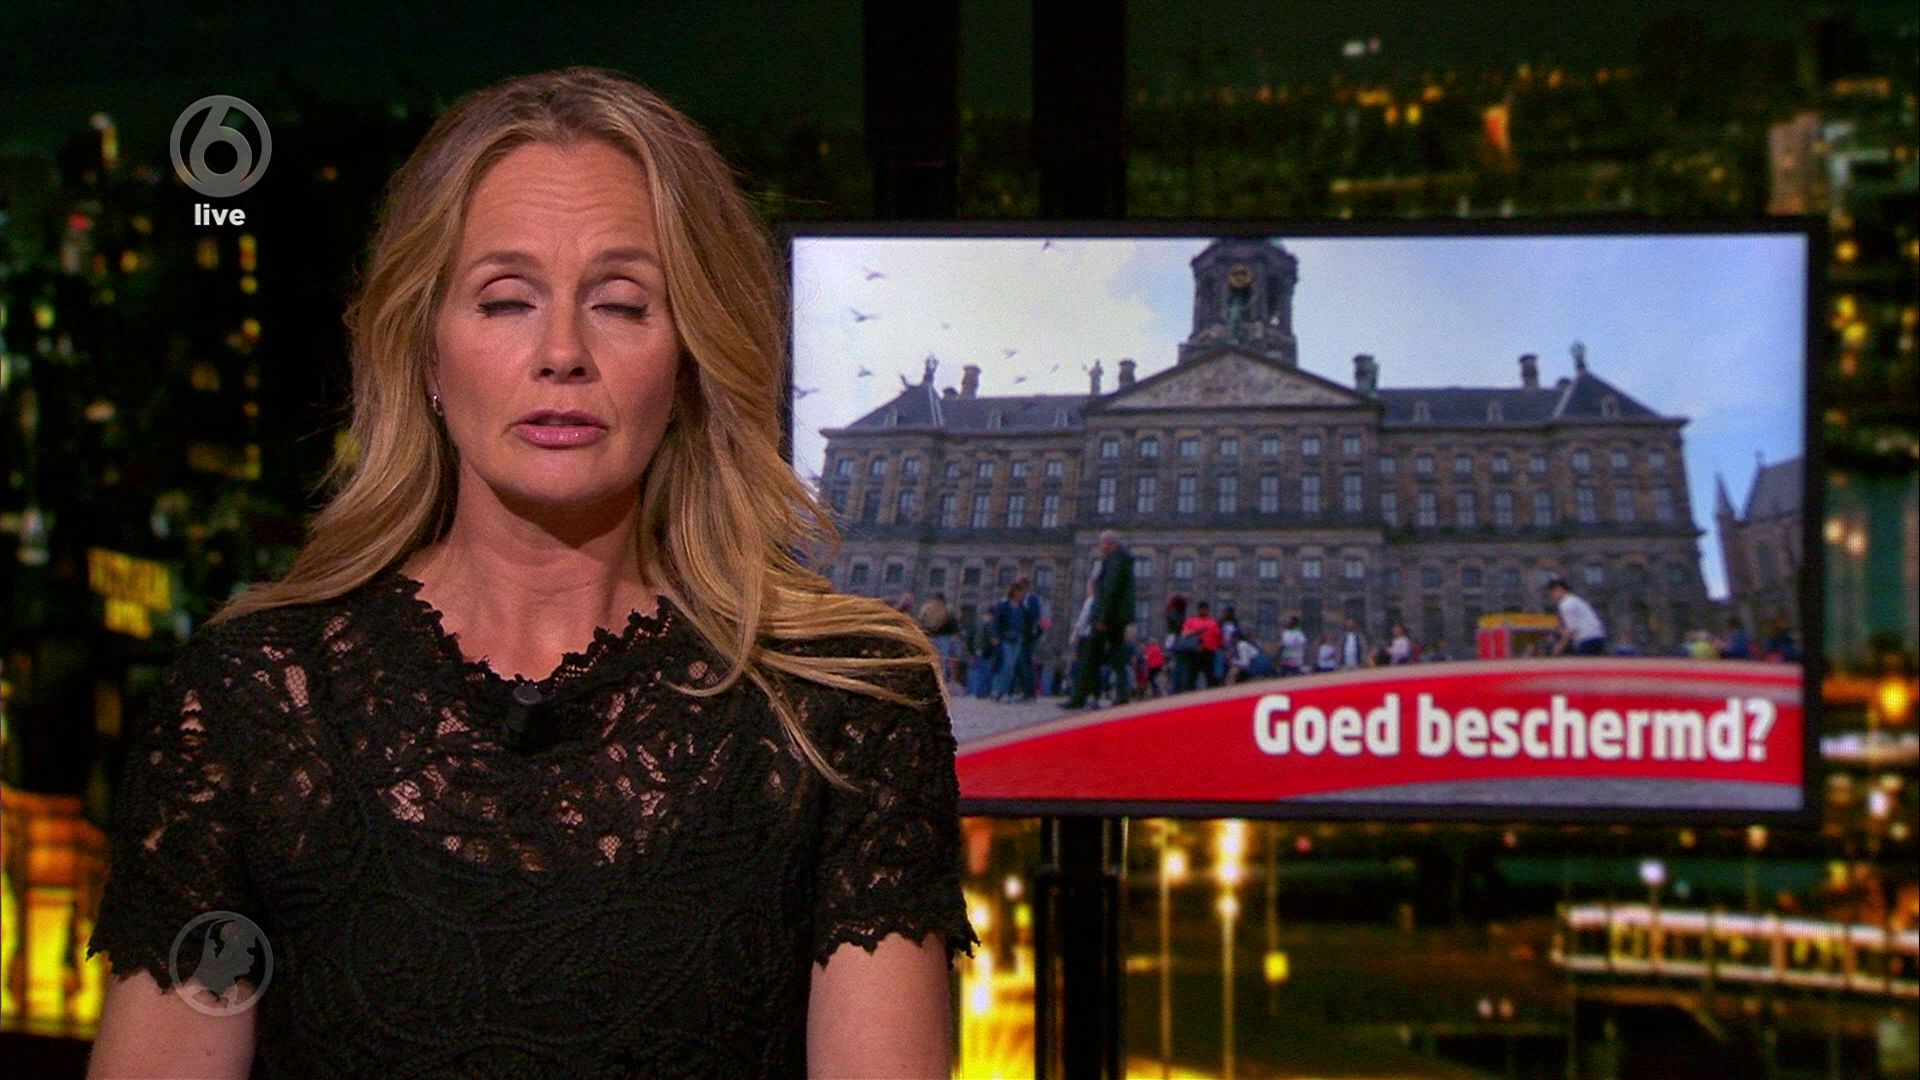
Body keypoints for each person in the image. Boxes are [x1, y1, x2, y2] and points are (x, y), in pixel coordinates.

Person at [83, 68, 976, 1079]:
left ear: (691, 360)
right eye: (506, 301)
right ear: (425, 352)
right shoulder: (255, 702)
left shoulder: (845, 710)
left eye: (622, 304)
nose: (561, 353)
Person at [1062, 530, 1136, 709]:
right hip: (1116, 618)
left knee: (1089, 657)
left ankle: (1078, 698)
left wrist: (1101, 618)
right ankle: (1122, 696)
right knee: (1118, 658)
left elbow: (1109, 590)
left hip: (1107, 618)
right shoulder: (1121, 559)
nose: (1100, 547)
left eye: (1102, 544)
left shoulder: (1115, 560)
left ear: (1110, 544)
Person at [989, 579, 1034, 702]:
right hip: (1005, 638)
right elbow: (996, 622)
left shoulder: (1023, 607)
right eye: (1020, 592)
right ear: (1014, 592)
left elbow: (1027, 622)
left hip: (1018, 638)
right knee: (1006, 664)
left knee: (1012, 666)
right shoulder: (1003, 605)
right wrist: (995, 636)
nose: (1022, 594)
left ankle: (1005, 692)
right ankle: (997, 690)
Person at [1547, 576, 1607, 656]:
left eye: (1552, 593)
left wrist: (1558, 647)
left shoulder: (1566, 603)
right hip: (1597, 636)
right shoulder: (1575, 600)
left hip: (1587, 640)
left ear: (1559, 589)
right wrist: (1561, 630)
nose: (1552, 597)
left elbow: (1571, 631)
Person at [918, 591, 962, 687]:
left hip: (930, 638)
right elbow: (953, 625)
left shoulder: (926, 609)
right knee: (943, 661)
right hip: (945, 638)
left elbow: (921, 623)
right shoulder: (947, 610)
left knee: (930, 659)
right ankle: (941, 680)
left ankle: (929, 679)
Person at [1178, 601, 1225, 692]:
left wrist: (1219, 643)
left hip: (1208, 652)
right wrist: (1196, 631)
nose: (1203, 611)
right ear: (1198, 610)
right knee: (1192, 678)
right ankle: (1190, 695)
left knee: (1210, 678)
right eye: (1202, 609)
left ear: (1208, 610)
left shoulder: (1213, 623)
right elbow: (1184, 634)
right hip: (1194, 652)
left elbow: (1219, 638)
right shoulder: (1191, 621)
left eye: (1205, 609)